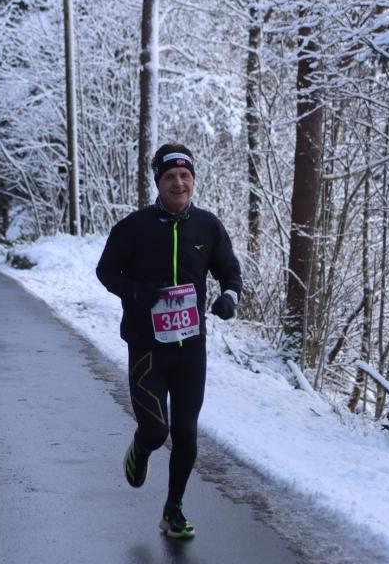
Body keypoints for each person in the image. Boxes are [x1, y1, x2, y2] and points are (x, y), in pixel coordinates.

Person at [96, 143, 242, 539]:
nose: (179, 183)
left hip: (191, 348)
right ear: (158, 183)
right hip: (147, 347)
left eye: (185, 176)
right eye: (170, 177)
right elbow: (106, 271)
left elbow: (230, 272)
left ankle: (173, 508)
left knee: (187, 432)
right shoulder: (134, 227)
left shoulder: (207, 227)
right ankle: (141, 447)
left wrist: (229, 297)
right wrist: (137, 291)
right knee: (156, 431)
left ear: (193, 180)